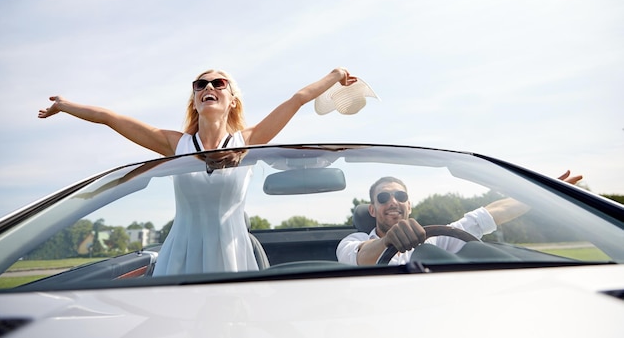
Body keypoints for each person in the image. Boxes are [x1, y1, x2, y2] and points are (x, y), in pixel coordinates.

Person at [39, 67, 358, 275]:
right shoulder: (174, 143)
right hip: (180, 254)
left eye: (219, 83)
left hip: (231, 256)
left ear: (232, 100)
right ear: (195, 99)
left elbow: (298, 98)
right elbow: (110, 117)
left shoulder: (248, 140)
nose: (209, 86)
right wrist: (64, 105)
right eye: (200, 84)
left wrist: (336, 75)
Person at [336, 171, 583, 266]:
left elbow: (491, 214)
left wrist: (542, 194)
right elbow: (361, 257)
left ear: (409, 205)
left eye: (400, 196)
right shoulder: (352, 241)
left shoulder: (437, 239)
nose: (393, 202)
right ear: (371, 210)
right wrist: (387, 241)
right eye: (383, 198)